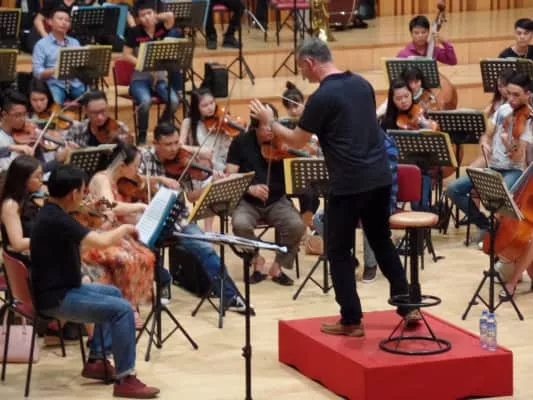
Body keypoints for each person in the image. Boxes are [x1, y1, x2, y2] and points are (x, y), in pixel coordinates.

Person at [250, 37, 416, 336]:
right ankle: (408, 306)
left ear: (310, 62)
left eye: (302, 67)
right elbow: (347, 125)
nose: (303, 74)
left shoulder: (321, 97)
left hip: (349, 183)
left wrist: (269, 121)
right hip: (380, 177)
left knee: (338, 250)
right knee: (381, 240)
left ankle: (351, 320)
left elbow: (298, 139)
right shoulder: (362, 84)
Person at [30, 164, 160, 398]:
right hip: (57, 298)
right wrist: (126, 228)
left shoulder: (51, 212)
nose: (85, 196)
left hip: (59, 289)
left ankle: (97, 360)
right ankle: (125, 379)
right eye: (83, 191)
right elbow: (101, 242)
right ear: (73, 194)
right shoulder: (58, 219)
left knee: (113, 294)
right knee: (122, 310)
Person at [139, 122, 249, 312]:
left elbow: (191, 197)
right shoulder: (144, 157)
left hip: (178, 219)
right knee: (140, 248)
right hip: (150, 217)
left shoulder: (184, 161)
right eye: (168, 144)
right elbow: (134, 179)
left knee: (206, 248)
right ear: (155, 143)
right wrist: (160, 179)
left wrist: (212, 184)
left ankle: (230, 297)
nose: (174, 149)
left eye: (176, 143)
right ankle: (163, 278)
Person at [447, 72, 533, 245]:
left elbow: (518, 156)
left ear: (528, 94)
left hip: (513, 171)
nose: (511, 99)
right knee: (453, 189)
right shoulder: (502, 110)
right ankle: (486, 225)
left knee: (501, 199)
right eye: (509, 94)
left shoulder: (529, 120)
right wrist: (485, 143)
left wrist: (508, 144)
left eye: (516, 95)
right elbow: (487, 134)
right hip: (493, 166)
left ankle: (497, 234)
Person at [226, 104, 306, 287]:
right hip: (247, 202)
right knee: (240, 225)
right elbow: (230, 174)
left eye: (273, 124)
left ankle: (278, 266)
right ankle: (256, 259)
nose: (272, 129)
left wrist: (291, 152)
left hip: (277, 200)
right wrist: (250, 188)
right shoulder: (240, 142)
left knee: (297, 226)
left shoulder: (283, 140)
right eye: (266, 125)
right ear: (255, 127)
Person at [179, 88, 235, 232]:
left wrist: (231, 134)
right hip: (199, 169)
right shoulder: (188, 122)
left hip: (220, 165)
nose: (210, 108)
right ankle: (207, 229)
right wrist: (199, 150)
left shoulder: (221, 119)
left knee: (221, 180)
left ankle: (211, 228)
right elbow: (179, 147)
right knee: (210, 183)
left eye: (212, 103)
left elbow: (229, 147)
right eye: (205, 105)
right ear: (196, 107)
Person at [122, 0, 178, 144]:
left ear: (155, 13)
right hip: (140, 79)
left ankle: (161, 128)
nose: (146, 17)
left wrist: (155, 17)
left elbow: (170, 16)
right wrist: (144, 64)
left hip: (160, 78)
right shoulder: (134, 32)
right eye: (143, 15)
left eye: (149, 13)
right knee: (145, 101)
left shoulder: (161, 28)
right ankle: (142, 135)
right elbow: (126, 55)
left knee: (174, 101)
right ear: (138, 19)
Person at [32, 6, 85, 105]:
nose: (64, 23)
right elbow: (37, 72)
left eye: (67, 20)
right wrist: (55, 70)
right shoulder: (41, 44)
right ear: (50, 22)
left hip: (75, 83)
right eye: (60, 19)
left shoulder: (75, 42)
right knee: (54, 103)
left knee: (94, 99)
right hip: (54, 84)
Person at [0, 155, 43, 269]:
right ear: (24, 180)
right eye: (37, 177)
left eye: (41, 175)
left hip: (33, 250)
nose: (41, 180)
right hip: (22, 260)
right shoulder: (11, 205)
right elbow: (18, 244)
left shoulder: (28, 196)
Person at [63, 90, 132, 148]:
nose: (100, 117)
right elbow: (62, 150)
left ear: (107, 107)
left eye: (103, 111)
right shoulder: (78, 128)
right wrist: (67, 150)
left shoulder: (119, 126)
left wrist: (123, 144)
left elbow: (132, 154)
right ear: (85, 110)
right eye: (94, 113)